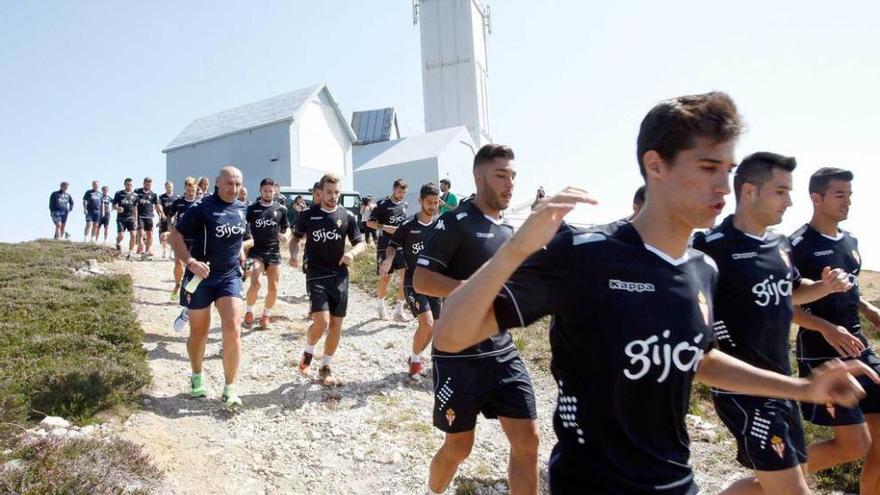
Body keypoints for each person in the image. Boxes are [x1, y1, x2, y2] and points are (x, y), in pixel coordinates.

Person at [430, 92, 878, 495]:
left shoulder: (701, 268)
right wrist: (515, 249)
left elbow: (698, 359)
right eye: (707, 168)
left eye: (727, 170)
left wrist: (801, 388)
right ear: (656, 164)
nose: (723, 186)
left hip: (675, 480)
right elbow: (450, 336)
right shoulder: (587, 253)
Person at [693, 152, 853, 495]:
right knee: (792, 489)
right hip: (742, 388)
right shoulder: (709, 248)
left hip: (783, 381)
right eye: (781, 191)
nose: (790, 201)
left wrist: (824, 286)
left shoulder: (779, 245)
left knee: (781, 480)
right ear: (750, 192)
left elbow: (792, 292)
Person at [413, 144, 540, 495]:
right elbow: (421, 281)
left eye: (513, 176)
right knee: (459, 448)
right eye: (501, 175)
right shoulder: (454, 223)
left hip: (502, 353)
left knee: (529, 441)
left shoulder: (509, 231)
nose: (509, 183)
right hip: (458, 356)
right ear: (478, 176)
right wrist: (470, 289)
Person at [790, 167, 880, 494]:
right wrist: (825, 328)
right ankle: (772, 479)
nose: (848, 202)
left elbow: (848, 289)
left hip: (861, 349)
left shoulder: (851, 241)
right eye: (840, 195)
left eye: (850, 195)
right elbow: (785, 304)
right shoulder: (795, 245)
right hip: (822, 354)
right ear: (817, 197)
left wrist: (868, 309)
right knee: (851, 445)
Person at [168, 166, 248, 409]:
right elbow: (175, 236)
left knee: (233, 326)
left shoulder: (242, 208)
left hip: (229, 276)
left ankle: (230, 388)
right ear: (217, 183)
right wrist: (190, 262)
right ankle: (196, 375)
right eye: (229, 183)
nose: (233, 189)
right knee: (199, 333)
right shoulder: (201, 208)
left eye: (237, 184)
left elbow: (241, 239)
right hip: (200, 278)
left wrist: (242, 254)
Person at [289, 173, 365, 386]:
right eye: (329, 192)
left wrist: (352, 253)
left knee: (336, 325)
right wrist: (294, 255)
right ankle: (309, 351)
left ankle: (325, 366)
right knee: (322, 321)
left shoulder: (347, 216)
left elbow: (361, 243)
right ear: (320, 192)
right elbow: (294, 240)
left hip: (339, 275)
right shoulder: (308, 215)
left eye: (336, 192)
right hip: (316, 274)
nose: (333, 196)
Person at [380, 183, 441, 382]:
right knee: (427, 323)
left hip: (435, 284)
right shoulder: (408, 226)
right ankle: (415, 363)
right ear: (420, 201)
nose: (432, 206)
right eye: (429, 202)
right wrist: (389, 259)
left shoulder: (441, 227)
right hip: (413, 283)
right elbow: (392, 245)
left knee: (434, 328)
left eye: (435, 202)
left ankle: (415, 356)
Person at [243, 178, 289, 330]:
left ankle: (265, 315)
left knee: (274, 288)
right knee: (256, 283)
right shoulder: (252, 209)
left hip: (274, 252)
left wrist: (286, 236)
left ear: (275, 191)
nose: (268, 193)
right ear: (260, 191)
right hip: (256, 251)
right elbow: (243, 227)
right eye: (265, 191)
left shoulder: (281, 209)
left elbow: (286, 228)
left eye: (271, 191)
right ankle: (249, 312)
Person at [367, 179, 410, 321]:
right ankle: (380, 306)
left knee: (406, 277)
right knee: (386, 279)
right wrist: (385, 227)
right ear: (393, 189)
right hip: (385, 247)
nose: (402, 194)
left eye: (404, 192)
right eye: (399, 191)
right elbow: (369, 223)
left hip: (402, 247)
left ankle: (399, 310)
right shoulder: (382, 204)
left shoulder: (405, 204)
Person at [170, 177, 200, 318]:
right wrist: (170, 229)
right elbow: (170, 217)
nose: (191, 193)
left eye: (193, 190)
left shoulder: (200, 203)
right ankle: (177, 283)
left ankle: (188, 292)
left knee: (191, 268)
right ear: (185, 189)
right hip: (180, 238)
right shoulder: (178, 203)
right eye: (188, 190)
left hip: (194, 239)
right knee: (177, 263)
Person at [135, 177, 163, 259]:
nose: (148, 186)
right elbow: (133, 203)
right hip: (140, 216)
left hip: (149, 216)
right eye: (146, 184)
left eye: (149, 185)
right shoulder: (137, 192)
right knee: (141, 233)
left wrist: (162, 213)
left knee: (150, 234)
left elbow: (157, 205)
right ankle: (142, 249)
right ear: (143, 183)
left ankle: (148, 250)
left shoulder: (153, 194)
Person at [112, 178, 139, 259]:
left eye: (131, 185)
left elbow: (135, 208)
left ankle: (130, 253)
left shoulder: (135, 195)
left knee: (133, 235)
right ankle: (117, 243)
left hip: (131, 218)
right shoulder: (118, 193)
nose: (129, 186)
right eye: (128, 184)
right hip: (121, 218)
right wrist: (118, 208)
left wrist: (136, 220)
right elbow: (113, 205)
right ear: (124, 184)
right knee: (121, 236)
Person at [158, 181, 178, 259]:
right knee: (164, 236)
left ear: (172, 187)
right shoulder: (162, 197)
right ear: (165, 188)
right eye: (167, 187)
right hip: (165, 218)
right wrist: (162, 214)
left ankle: (171, 253)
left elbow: (178, 208)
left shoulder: (176, 197)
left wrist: (174, 216)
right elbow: (159, 205)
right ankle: (164, 250)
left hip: (174, 219)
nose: (169, 189)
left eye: (170, 187)